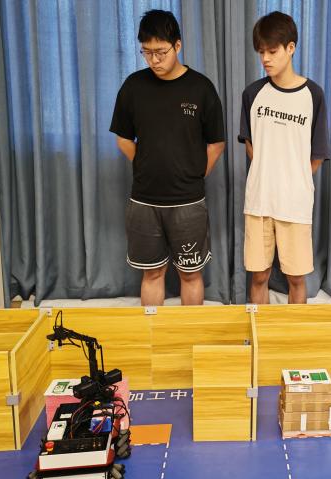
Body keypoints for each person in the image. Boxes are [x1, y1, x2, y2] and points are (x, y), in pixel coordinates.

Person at [110, 10, 225, 306]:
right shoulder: (133, 86)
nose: (154, 60)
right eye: (146, 52)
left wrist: (193, 173)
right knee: (151, 273)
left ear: (177, 45)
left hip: (188, 202)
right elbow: (123, 138)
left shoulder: (201, 88)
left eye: (160, 52)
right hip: (144, 201)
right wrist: (145, 164)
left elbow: (216, 143)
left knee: (190, 274)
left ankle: (189, 331)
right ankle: (153, 332)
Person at [238, 11, 330, 304]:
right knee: (259, 275)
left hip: (295, 203)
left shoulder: (313, 95)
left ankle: (294, 331)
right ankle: (261, 329)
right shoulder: (253, 93)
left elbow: (317, 154)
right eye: (261, 52)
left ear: (291, 48)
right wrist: (268, 171)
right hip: (259, 201)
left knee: (296, 278)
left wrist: (293, 180)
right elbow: (250, 143)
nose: (265, 58)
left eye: (272, 51)